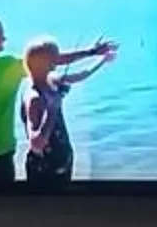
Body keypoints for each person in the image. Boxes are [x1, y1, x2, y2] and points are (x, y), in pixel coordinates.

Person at [0, 20, 114, 187]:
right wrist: (91, 52)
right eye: (0, 34)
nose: (4, 38)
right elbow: (53, 59)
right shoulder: (8, 66)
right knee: (4, 210)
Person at [21, 36, 116, 188]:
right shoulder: (34, 97)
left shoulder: (51, 80)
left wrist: (102, 60)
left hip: (61, 160)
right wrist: (52, 110)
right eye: (55, 57)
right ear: (47, 62)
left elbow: (81, 75)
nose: (58, 60)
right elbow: (36, 143)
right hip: (45, 169)